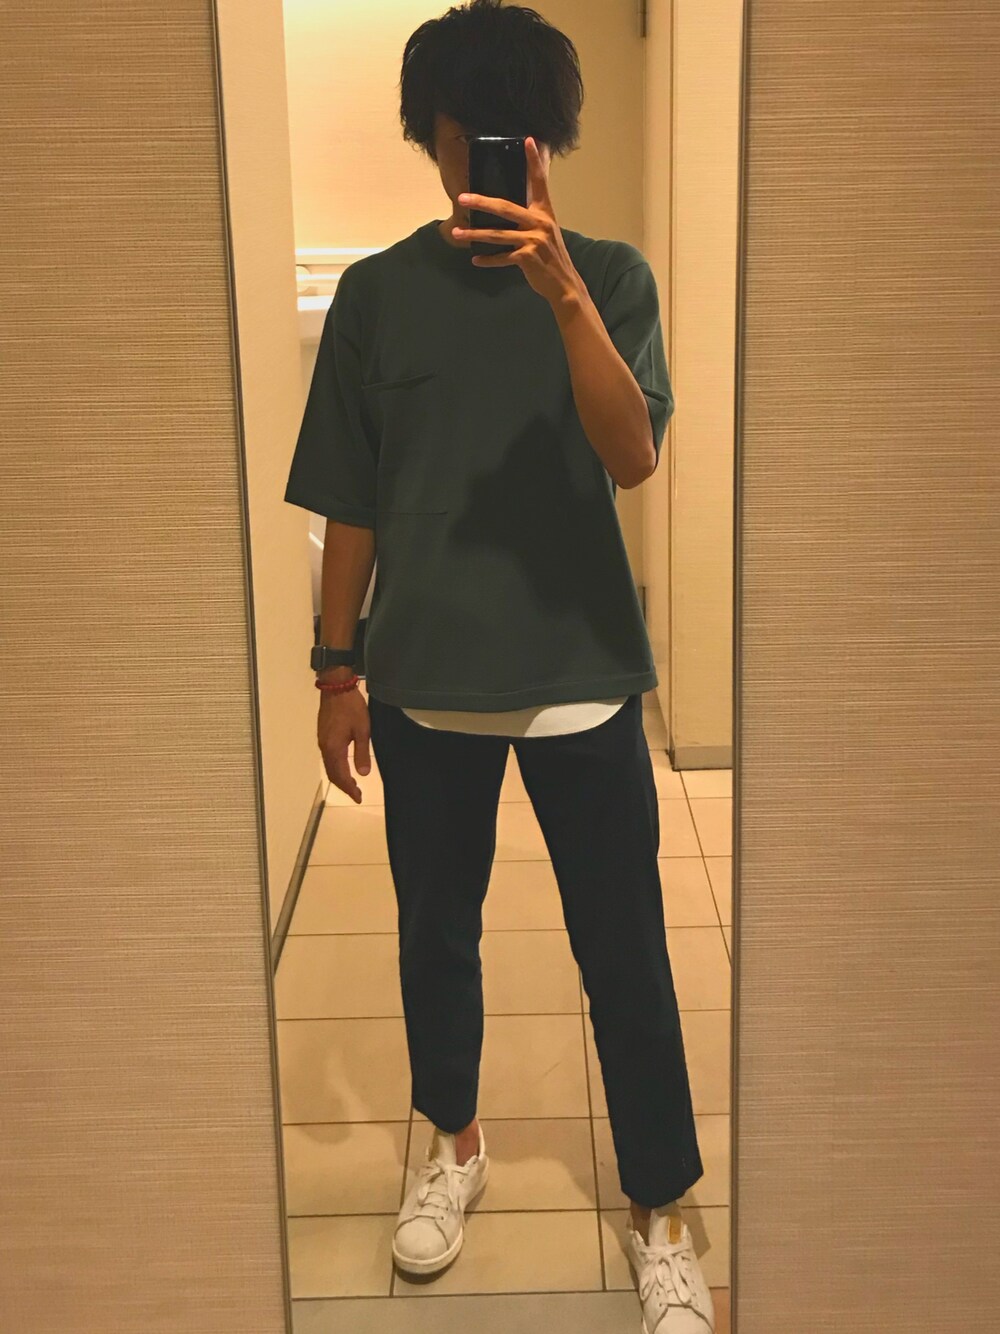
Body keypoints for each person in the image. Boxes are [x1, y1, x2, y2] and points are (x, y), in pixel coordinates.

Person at [284, 3, 714, 1328]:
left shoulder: (613, 278)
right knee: (435, 938)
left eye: (505, 135)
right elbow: (350, 500)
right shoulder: (375, 297)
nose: (478, 158)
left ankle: (662, 1202)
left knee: (625, 950)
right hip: (423, 683)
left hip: (582, 675)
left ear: (547, 143)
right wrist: (335, 672)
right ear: (430, 137)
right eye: (459, 132)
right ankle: (454, 1145)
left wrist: (564, 296)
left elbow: (633, 456)